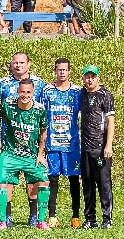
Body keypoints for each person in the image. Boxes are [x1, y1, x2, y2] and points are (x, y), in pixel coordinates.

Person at [0, 79, 51, 230]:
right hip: (10, 153)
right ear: (18, 91)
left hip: (31, 155)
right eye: (22, 91)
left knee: (44, 181)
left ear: (33, 93)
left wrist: (40, 154)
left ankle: (40, 220)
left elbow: (44, 131)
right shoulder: (8, 103)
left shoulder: (39, 109)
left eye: (28, 92)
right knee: (1, 183)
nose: (25, 95)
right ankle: (3, 220)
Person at [38, 58, 82, 229]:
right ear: (55, 71)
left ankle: (76, 216)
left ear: (69, 71)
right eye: (59, 70)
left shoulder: (77, 92)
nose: (62, 72)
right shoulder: (47, 91)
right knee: (52, 180)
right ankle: (52, 215)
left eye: (64, 70)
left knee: (73, 180)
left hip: (71, 145)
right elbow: (41, 116)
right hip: (53, 144)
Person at [78, 65, 115, 229]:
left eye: (93, 76)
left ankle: (107, 219)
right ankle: (90, 219)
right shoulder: (82, 93)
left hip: (100, 148)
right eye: (87, 76)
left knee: (104, 184)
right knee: (87, 184)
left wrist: (108, 145)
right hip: (85, 147)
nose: (90, 79)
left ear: (98, 77)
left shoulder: (105, 95)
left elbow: (110, 121)